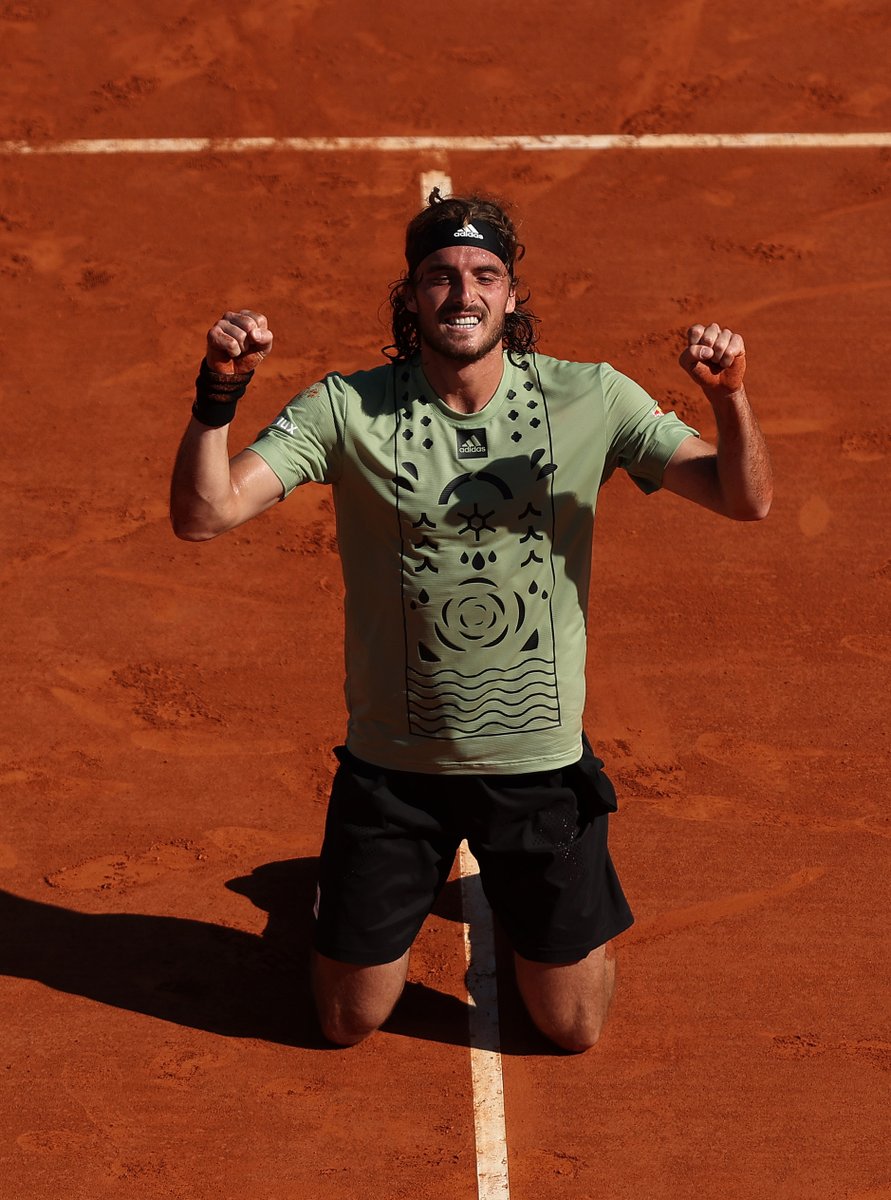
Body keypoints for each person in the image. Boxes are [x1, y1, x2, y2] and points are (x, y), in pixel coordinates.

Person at [170, 190, 772, 1053]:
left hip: (537, 766)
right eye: (440, 276)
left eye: (485, 275)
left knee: (571, 1028)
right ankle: (343, 897)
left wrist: (730, 401)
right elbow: (204, 514)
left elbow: (743, 499)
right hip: (394, 769)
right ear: (410, 295)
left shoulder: (592, 396)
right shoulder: (346, 408)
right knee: (346, 1021)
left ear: (512, 294)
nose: (463, 293)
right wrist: (218, 392)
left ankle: (543, 899)